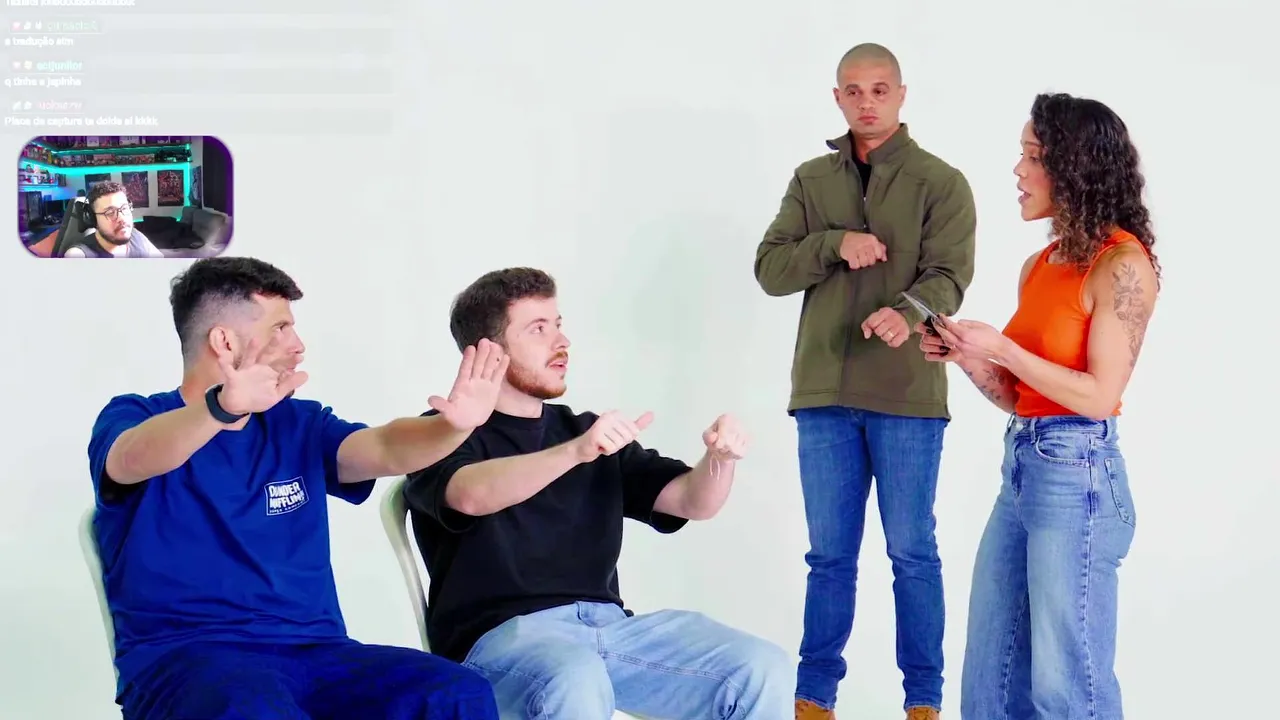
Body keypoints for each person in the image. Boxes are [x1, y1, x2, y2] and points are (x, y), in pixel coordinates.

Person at [87, 256, 503, 720]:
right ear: (224, 341)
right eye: (280, 328)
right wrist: (221, 408)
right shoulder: (135, 417)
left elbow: (385, 446)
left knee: (456, 694)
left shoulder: (299, 424)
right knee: (257, 708)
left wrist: (452, 428)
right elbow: (130, 459)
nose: (298, 346)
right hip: (188, 660)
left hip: (319, 654)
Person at [403, 267, 793, 720]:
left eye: (558, 324)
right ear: (489, 351)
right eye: (538, 329)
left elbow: (692, 501)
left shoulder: (584, 430)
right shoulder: (442, 433)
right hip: (501, 643)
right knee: (577, 675)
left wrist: (720, 458)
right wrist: (575, 453)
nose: (562, 341)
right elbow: (472, 494)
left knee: (761, 667)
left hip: (611, 631)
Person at [754, 42, 976, 720]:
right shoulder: (810, 180)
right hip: (822, 397)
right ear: (837, 98)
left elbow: (950, 277)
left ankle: (924, 702)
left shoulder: (941, 182)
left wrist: (906, 313)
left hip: (907, 398)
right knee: (829, 558)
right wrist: (834, 243)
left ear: (901, 95)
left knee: (912, 553)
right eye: (853, 90)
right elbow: (770, 270)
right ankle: (814, 699)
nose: (867, 102)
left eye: (880, 89)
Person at [919, 92, 1159, 719]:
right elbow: (1019, 395)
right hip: (1023, 465)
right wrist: (967, 356)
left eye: (1033, 156)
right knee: (991, 682)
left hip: (1078, 479)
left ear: (1073, 167)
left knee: (1067, 687)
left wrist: (1004, 348)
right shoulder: (1040, 265)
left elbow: (1100, 395)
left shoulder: (1122, 265)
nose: (1018, 170)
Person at [62, 181, 164, 258]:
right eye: (110, 213)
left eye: (124, 208)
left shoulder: (135, 235)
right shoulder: (79, 255)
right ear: (93, 219)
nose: (121, 218)